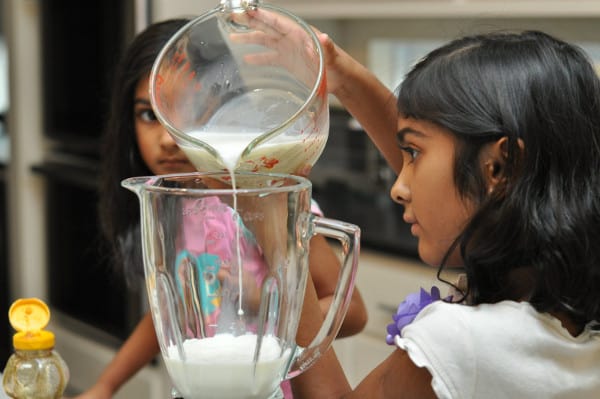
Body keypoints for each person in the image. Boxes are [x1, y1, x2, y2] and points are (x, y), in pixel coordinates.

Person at [284, 27, 600, 398]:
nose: (398, 189)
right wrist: (346, 77)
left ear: (499, 168)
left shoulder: (460, 344)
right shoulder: (571, 316)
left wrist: (284, 230)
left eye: (414, 154)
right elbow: (460, 177)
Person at [72, 18, 367, 399]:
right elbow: (173, 311)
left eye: (188, 114)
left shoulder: (265, 204)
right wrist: (106, 385)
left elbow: (354, 313)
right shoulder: (168, 209)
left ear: (228, 111)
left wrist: (262, 299)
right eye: (150, 115)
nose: (167, 139)